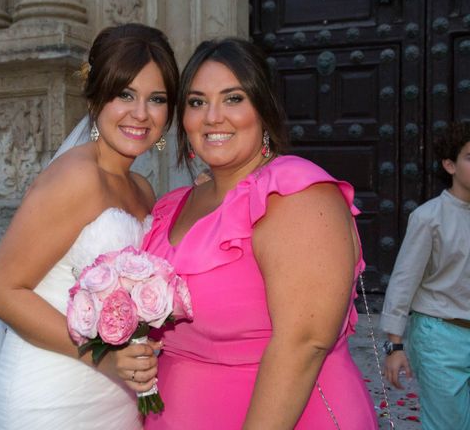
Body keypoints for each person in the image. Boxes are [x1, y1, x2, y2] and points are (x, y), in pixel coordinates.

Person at [142, 38, 378, 429]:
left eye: (233, 98)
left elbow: (304, 343)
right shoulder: (173, 205)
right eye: (197, 102)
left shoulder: (295, 193)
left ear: (264, 109)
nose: (213, 116)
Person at [0, 23, 179, 430]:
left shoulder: (143, 188)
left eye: (157, 99)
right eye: (125, 94)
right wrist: (104, 355)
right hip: (52, 397)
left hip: (114, 398)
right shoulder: (77, 177)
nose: (141, 113)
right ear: (96, 97)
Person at [380, 122, 470, 430]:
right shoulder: (429, 218)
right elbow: (403, 282)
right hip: (439, 335)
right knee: (448, 425)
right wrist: (394, 345)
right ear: (450, 165)